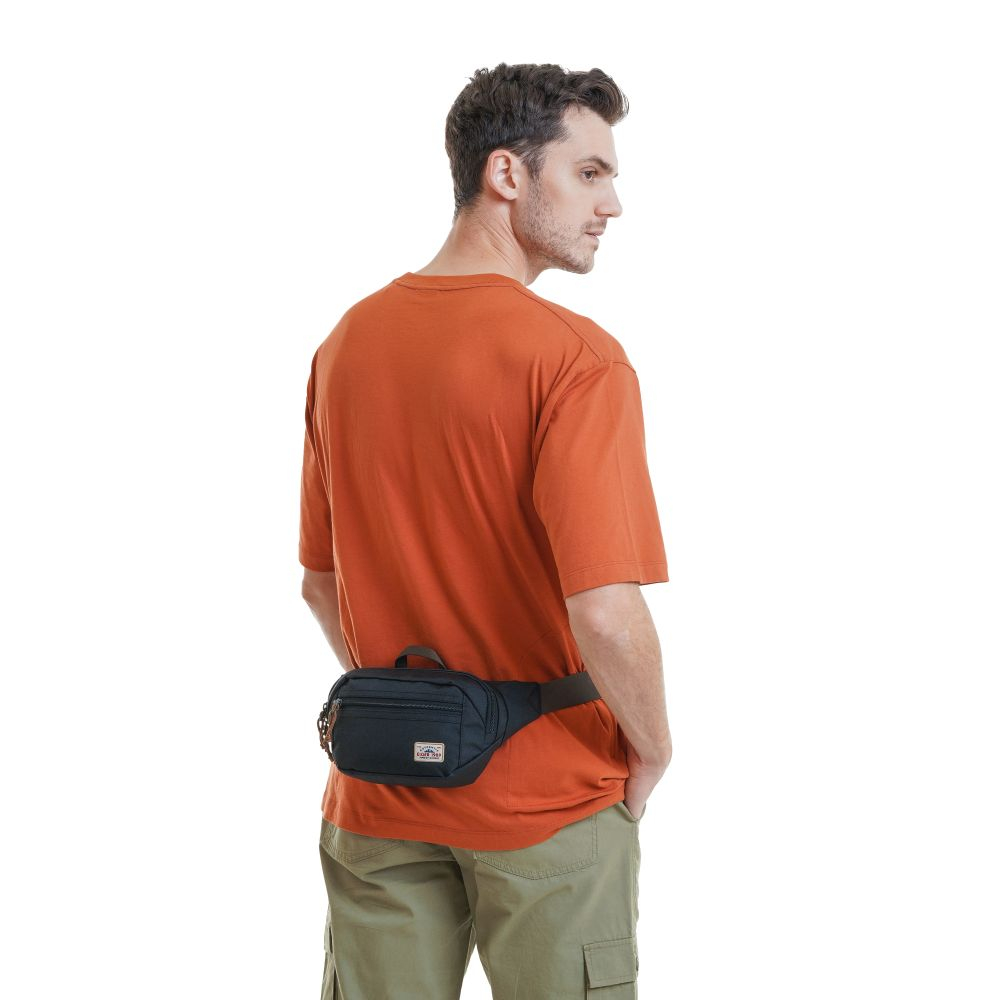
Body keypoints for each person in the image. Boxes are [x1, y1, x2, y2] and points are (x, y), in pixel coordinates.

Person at [299, 62, 673, 1000]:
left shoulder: (347, 345)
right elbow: (605, 610)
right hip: (545, 799)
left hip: (379, 791)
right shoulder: (575, 359)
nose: (612, 204)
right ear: (506, 173)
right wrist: (654, 748)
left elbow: (319, 582)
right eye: (588, 173)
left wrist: (423, 712)